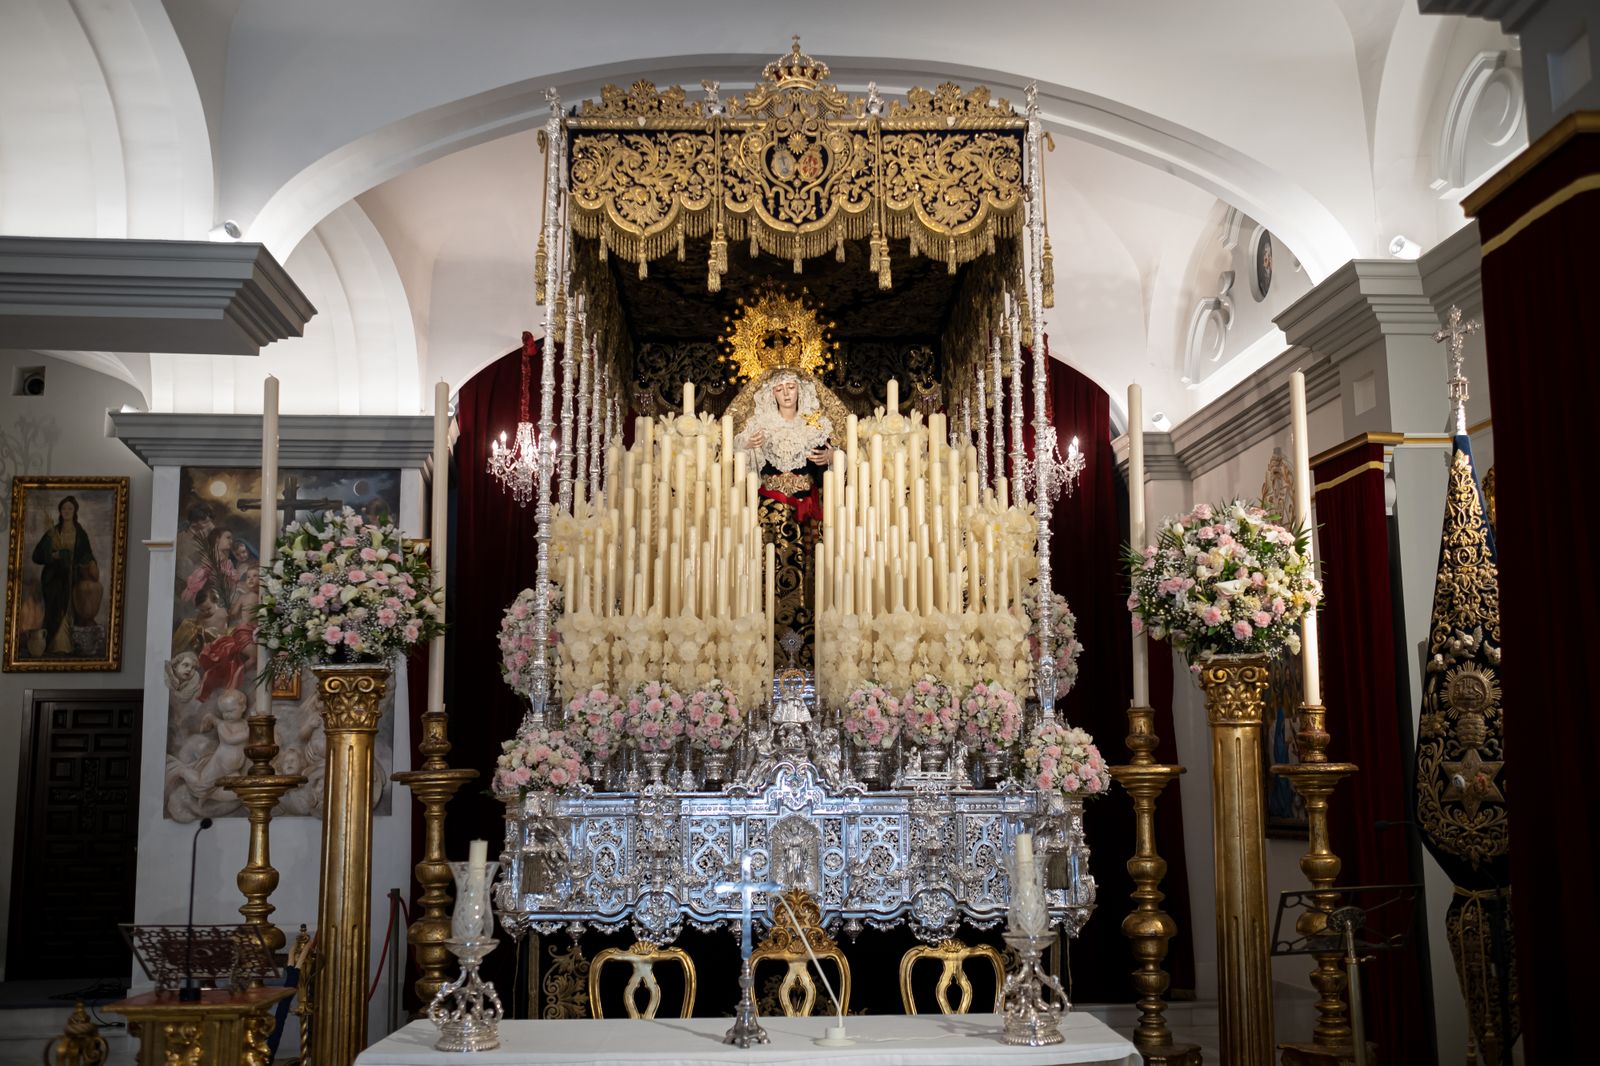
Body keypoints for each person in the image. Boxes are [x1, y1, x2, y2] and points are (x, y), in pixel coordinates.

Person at [734, 370, 833, 668]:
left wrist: (832, 458)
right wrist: (746, 448)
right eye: (780, 389)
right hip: (770, 513)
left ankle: (806, 648)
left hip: (806, 516)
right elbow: (742, 463)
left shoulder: (814, 425)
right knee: (770, 571)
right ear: (771, 395)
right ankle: (771, 648)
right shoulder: (760, 425)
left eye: (791, 387)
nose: (787, 394)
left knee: (809, 573)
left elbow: (826, 469)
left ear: (800, 391)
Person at [30, 495, 96, 656]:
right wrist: (54, 555)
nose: (66, 511)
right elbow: (36, 556)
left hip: (73, 578)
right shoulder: (52, 533)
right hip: (53, 579)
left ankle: (68, 645)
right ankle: (53, 645)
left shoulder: (80, 534)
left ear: (75, 511)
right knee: (55, 610)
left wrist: (90, 562)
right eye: (64, 508)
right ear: (60, 511)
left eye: (70, 509)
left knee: (70, 611)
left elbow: (86, 555)